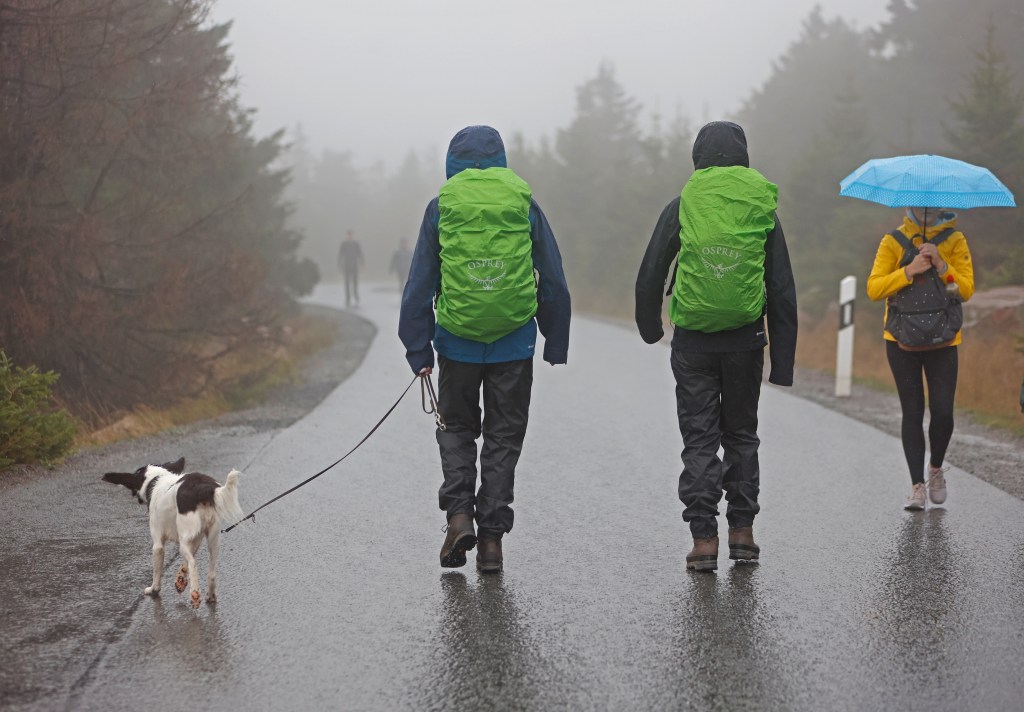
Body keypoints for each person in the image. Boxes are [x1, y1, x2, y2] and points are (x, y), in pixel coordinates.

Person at [399, 125, 571, 573]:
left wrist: (418, 348)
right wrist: (555, 339)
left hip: (457, 342)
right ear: (501, 159)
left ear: (453, 161)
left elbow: (420, 281)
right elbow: (551, 275)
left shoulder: (442, 207)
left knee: (456, 428)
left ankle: (459, 517)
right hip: (514, 342)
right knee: (503, 436)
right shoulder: (523, 203)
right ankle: (492, 541)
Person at [634, 121, 797, 572]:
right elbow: (781, 287)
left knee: (700, 439)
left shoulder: (683, 204)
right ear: (743, 154)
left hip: (693, 344)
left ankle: (704, 538)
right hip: (746, 341)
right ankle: (742, 533)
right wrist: (781, 361)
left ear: (698, 157)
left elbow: (651, 272)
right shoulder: (761, 205)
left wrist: (650, 327)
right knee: (742, 435)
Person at [866, 207, 974, 511]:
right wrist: (909, 270)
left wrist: (941, 263)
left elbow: (962, 290)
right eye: (918, 208)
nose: (924, 213)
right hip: (900, 339)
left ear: (941, 209)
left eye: (930, 209)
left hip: (944, 338)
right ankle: (917, 487)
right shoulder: (893, 241)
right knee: (912, 412)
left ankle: (935, 469)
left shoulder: (955, 240)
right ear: (909, 208)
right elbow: (874, 288)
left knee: (943, 413)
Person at [338, 229, 364, 307]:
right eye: (348, 235)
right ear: (347, 236)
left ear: (352, 236)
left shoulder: (356, 244)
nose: (349, 236)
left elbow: (360, 254)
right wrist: (339, 264)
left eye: (351, 235)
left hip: (354, 266)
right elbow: (340, 255)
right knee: (347, 283)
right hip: (346, 266)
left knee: (355, 282)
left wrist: (362, 263)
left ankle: (355, 294)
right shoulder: (343, 244)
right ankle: (348, 297)